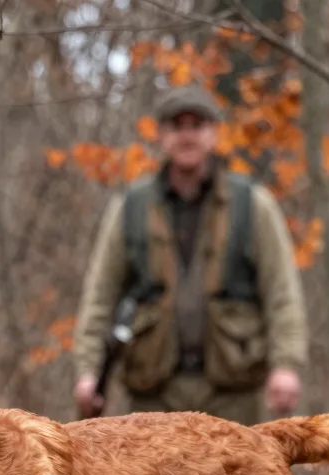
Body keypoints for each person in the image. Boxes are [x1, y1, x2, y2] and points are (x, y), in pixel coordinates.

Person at [72, 85, 307, 425]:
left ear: (213, 134)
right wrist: (88, 372)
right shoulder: (130, 207)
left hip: (233, 392)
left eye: (196, 126)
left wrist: (286, 366)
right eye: (176, 126)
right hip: (152, 393)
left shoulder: (253, 204)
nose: (187, 136)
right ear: (162, 136)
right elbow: (100, 297)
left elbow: (281, 292)